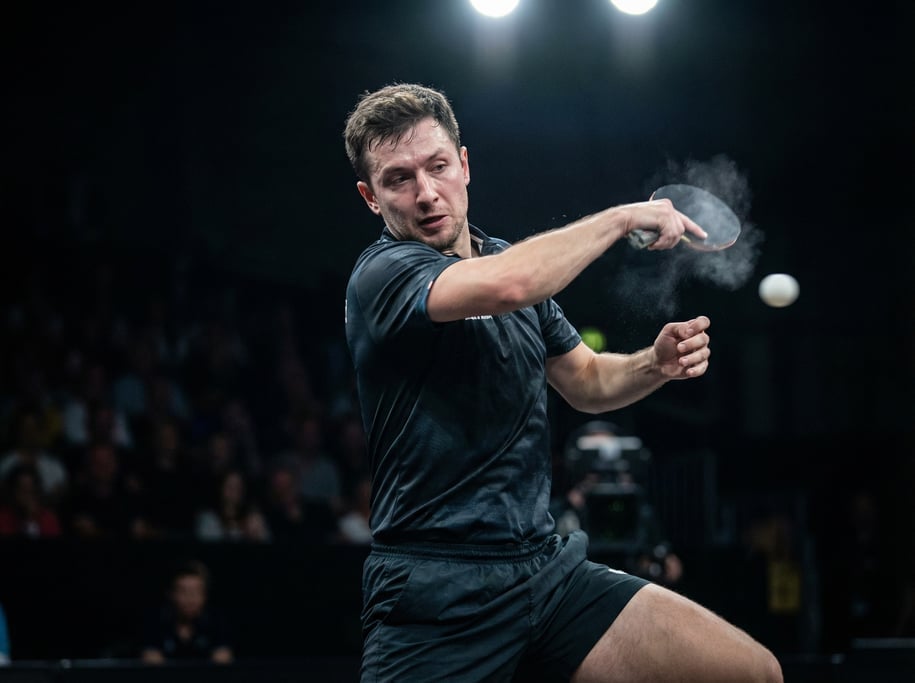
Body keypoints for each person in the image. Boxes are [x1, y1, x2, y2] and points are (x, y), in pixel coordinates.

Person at [342, 82, 783, 682]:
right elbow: (510, 285)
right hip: (437, 591)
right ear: (371, 197)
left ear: (464, 165)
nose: (425, 193)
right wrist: (623, 217)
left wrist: (653, 364)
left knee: (752, 673)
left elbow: (587, 381)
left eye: (437, 166)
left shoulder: (503, 258)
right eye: (399, 179)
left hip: (545, 574)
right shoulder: (383, 275)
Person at [139, 559, 234, 665]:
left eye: (195, 592)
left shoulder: (217, 625)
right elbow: (151, 663)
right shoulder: (155, 625)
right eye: (183, 591)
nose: (190, 599)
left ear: (205, 595)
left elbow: (222, 662)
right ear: (171, 594)